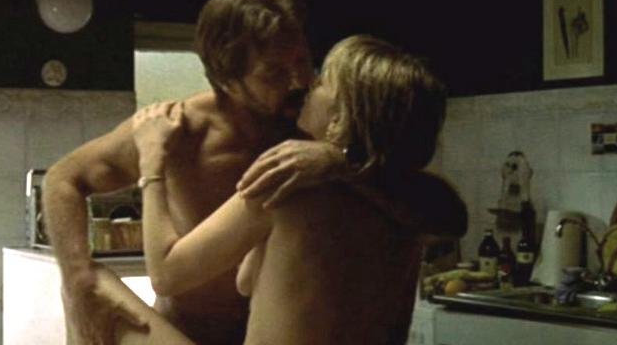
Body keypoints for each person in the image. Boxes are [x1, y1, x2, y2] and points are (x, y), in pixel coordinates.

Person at [42, 0, 344, 345]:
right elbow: (62, 179)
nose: (299, 81)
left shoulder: (313, 129)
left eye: (303, 61)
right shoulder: (178, 131)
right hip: (184, 332)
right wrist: (76, 279)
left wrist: (336, 157)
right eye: (274, 73)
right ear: (227, 78)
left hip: (268, 333)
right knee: (89, 287)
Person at [128, 34, 467, 344]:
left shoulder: (286, 184)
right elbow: (249, 281)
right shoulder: (405, 204)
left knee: (108, 296)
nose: (307, 86)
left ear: (340, 116)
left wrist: (151, 164)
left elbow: (166, 275)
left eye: (321, 82)